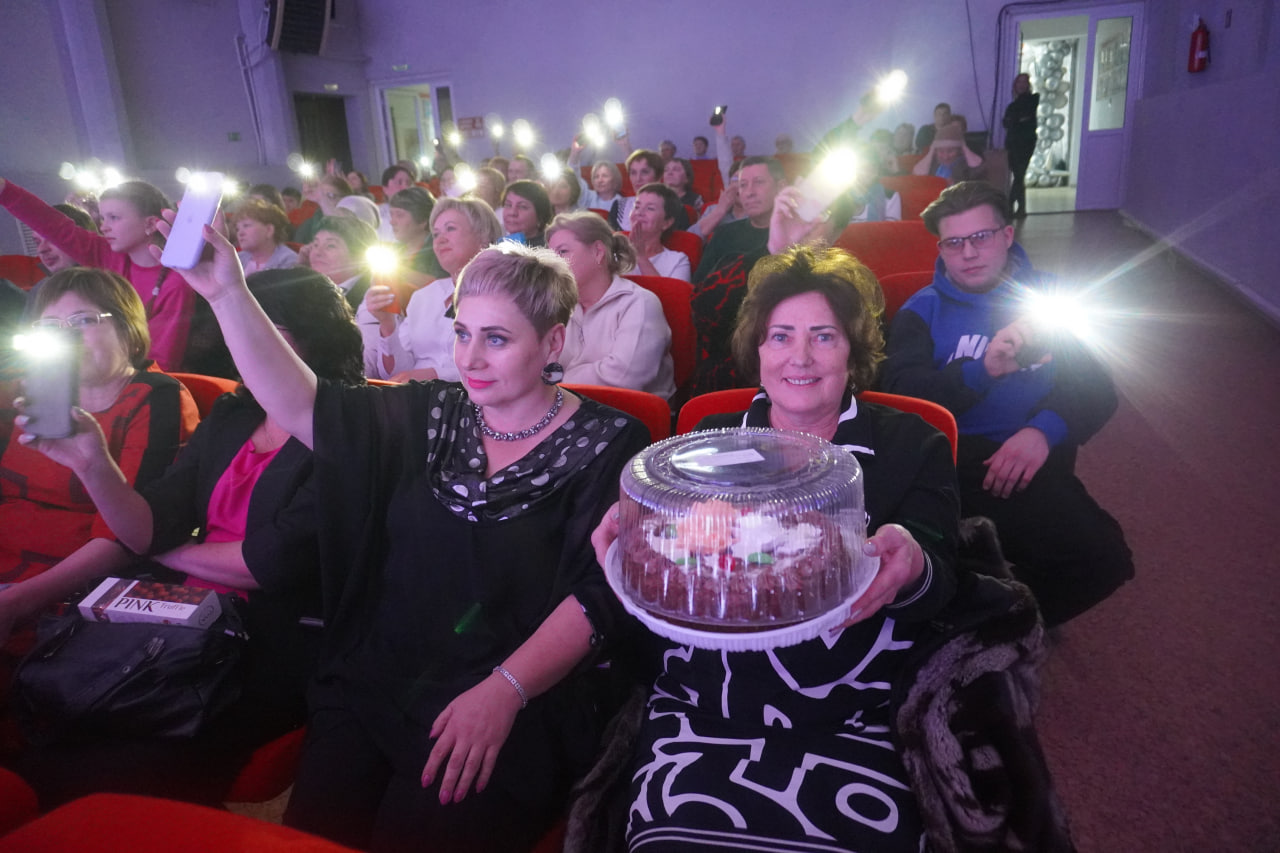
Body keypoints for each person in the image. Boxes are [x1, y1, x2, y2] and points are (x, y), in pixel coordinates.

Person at [160, 214, 650, 851]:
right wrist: (228, 293)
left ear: (553, 341)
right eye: (462, 332)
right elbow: (303, 404)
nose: (469, 358)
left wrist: (504, 692)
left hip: (512, 689)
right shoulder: (430, 410)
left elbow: (599, 589)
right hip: (377, 675)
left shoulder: (611, 440)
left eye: (497, 339)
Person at [592, 245, 969, 850]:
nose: (800, 357)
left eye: (824, 337)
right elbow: (667, 567)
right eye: (781, 336)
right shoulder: (703, 446)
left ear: (853, 351)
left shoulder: (910, 445)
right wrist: (634, 533)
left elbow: (940, 578)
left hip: (855, 706)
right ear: (758, 350)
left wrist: (913, 559)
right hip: (705, 699)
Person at [3, 268, 363, 806]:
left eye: (268, 332)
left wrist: (163, 548)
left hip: (264, 637)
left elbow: (264, 563)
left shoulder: (347, 427)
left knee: (97, 773)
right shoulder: (235, 414)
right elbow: (147, 524)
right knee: (51, 723)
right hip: (175, 615)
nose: (247, 347)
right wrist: (94, 464)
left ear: (314, 339)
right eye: (240, 330)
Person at [881, 181, 1133, 626]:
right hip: (949, 464)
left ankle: (1003, 622)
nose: (968, 253)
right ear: (941, 248)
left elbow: (1096, 386)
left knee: (1105, 559)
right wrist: (985, 369)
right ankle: (974, 614)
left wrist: (1043, 431)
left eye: (981, 237)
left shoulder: (1050, 298)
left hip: (1029, 459)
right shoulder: (922, 311)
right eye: (954, 243)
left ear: (1007, 235)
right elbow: (902, 396)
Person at [0, 269, 199, 731]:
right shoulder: (31, 391)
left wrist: (19, 600)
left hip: (67, 587)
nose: (66, 337)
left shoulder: (156, 398)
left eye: (83, 321)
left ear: (128, 331)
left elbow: (125, 539)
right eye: (51, 327)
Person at [0, 178, 198, 372]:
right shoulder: (108, 255)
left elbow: (163, 362)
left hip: (137, 379)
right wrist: (5, 190)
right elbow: (53, 225)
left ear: (150, 224)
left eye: (114, 217)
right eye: (103, 218)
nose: (104, 226)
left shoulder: (176, 283)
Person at [364, 197, 502, 382]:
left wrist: (436, 375)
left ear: (483, 238)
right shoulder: (423, 297)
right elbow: (395, 373)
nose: (440, 240)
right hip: (417, 396)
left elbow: (504, 364)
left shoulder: (505, 295)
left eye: (450, 229)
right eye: (436, 234)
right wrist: (388, 325)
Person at [546, 212, 675, 399]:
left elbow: (623, 378)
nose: (552, 263)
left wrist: (558, 380)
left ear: (598, 252)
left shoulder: (639, 303)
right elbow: (541, 368)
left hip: (630, 411)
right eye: (550, 255)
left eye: (562, 252)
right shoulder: (559, 306)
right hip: (568, 405)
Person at [688, 156, 785, 395]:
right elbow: (700, 292)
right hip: (727, 340)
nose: (749, 192)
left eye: (758, 182)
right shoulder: (725, 234)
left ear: (780, 186)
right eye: (743, 185)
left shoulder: (797, 234)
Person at [626, 184, 692, 282]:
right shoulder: (612, 250)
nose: (639, 212)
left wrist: (641, 257)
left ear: (667, 223)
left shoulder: (678, 261)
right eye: (637, 206)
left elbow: (670, 293)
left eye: (650, 208)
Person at [387, 187, 447, 282]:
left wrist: (400, 272)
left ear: (422, 220)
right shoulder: (393, 251)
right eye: (391, 215)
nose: (392, 222)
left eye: (399, 215)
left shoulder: (439, 252)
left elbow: (442, 286)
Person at [1003, 73, 1040, 217]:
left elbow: (1022, 118)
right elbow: (1007, 123)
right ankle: (1021, 209)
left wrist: (1015, 121)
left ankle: (1009, 205)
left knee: (1019, 175)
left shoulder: (1033, 99)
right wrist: (1016, 120)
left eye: (1024, 82)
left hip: (1026, 143)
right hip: (1012, 143)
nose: (1021, 85)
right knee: (1019, 176)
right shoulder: (1012, 105)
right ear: (1015, 85)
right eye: (1019, 82)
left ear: (1028, 85)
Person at [236, 199, 298, 274]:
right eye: (237, 229)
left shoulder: (289, 261)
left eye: (246, 225)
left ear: (269, 230)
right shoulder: (237, 259)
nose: (240, 233)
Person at [912, 121, 982, 184]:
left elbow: (978, 170)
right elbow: (917, 175)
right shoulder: (933, 163)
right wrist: (931, 151)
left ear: (960, 150)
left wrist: (964, 147)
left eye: (950, 151)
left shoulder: (964, 164)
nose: (945, 157)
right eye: (941, 151)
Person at [294, 174, 353, 246]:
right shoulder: (311, 224)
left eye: (331, 195)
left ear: (346, 199)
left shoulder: (355, 223)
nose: (324, 199)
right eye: (322, 195)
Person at [501, 180, 552, 248]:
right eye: (508, 205)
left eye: (522, 207)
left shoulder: (549, 249)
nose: (512, 212)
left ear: (540, 217)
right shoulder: (502, 244)